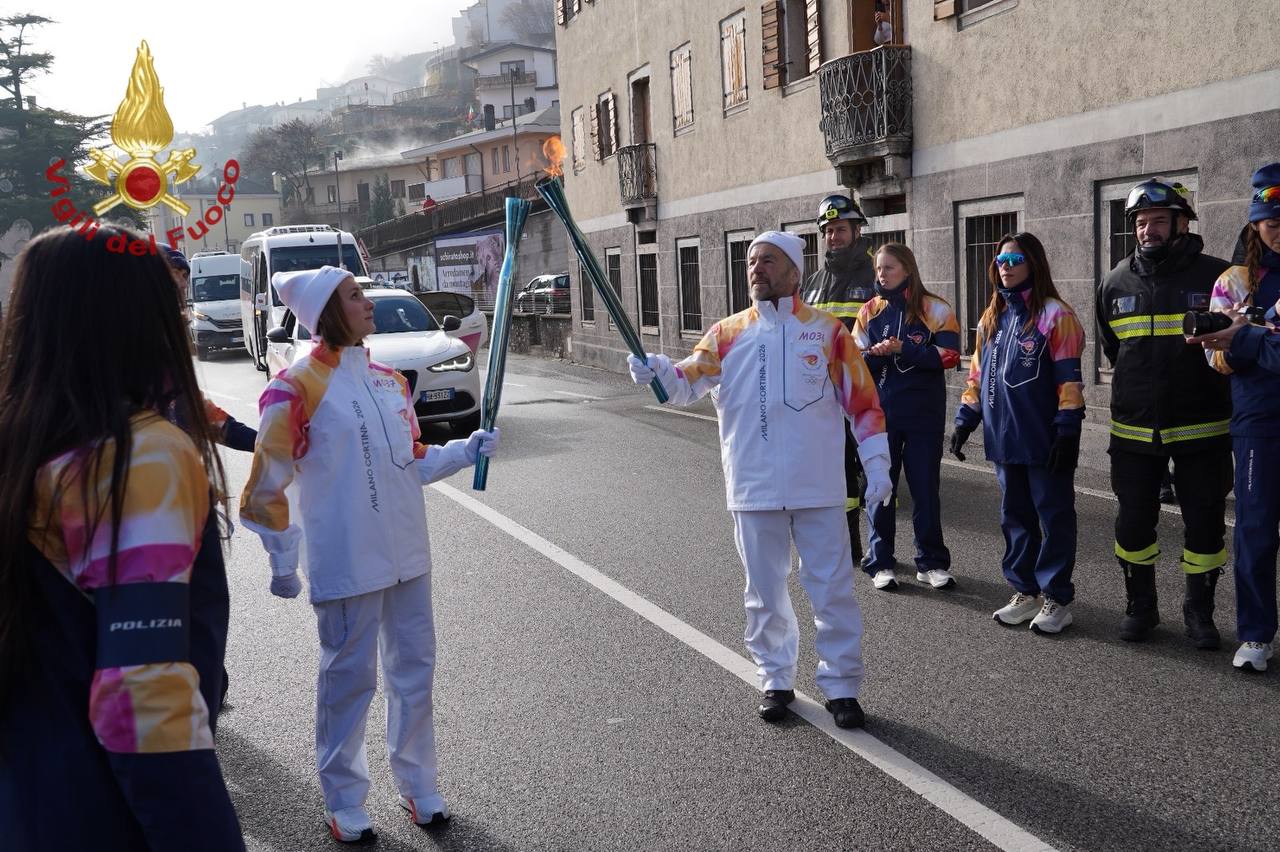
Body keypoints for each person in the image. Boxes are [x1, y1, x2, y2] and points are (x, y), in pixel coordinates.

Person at [0, 226, 244, 849]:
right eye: (172, 301)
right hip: (100, 808)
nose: (184, 313)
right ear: (140, 317)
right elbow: (143, 698)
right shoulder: (142, 456)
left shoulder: (24, 438)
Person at [239, 266, 499, 842]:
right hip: (347, 556)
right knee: (349, 680)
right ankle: (344, 798)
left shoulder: (389, 382)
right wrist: (284, 559)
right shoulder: (294, 387)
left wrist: (463, 450)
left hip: (407, 550)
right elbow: (265, 483)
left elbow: (410, 459)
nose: (368, 303)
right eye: (356, 296)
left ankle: (420, 784)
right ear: (328, 310)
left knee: (414, 674)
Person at [627, 231, 893, 729]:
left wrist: (877, 463)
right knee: (764, 591)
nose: (756, 268)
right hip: (753, 487)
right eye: (751, 261)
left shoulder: (829, 332)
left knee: (832, 589)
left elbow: (863, 404)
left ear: (794, 270)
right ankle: (775, 679)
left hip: (819, 487)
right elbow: (684, 384)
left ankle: (841, 686)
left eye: (768, 260)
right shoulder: (726, 333)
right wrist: (657, 371)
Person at [1095, 180, 1232, 648]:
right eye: (1139, 222)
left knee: (1206, 524)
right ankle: (1142, 607)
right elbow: (1116, 349)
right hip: (1133, 429)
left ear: (1181, 223)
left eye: (1156, 220)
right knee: (1132, 523)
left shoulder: (1218, 278)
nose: (1146, 230)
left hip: (1203, 428)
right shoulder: (1114, 282)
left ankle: (1200, 614)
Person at [951, 233, 1085, 634]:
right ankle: (1024, 591)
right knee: (1016, 518)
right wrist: (964, 420)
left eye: (1015, 259)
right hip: (1004, 439)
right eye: (1001, 260)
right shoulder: (991, 318)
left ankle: (1057, 598)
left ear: (1034, 265)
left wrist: (1067, 428)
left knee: (1054, 516)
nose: (1005, 266)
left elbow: (1069, 380)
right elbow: (977, 378)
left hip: (1044, 438)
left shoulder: (1055, 315)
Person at [1191, 162, 1280, 671]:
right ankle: (1255, 633)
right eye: (1271, 224)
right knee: (1255, 530)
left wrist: (1245, 338)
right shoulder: (1235, 280)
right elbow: (1215, 358)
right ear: (1254, 225)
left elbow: (1239, 346)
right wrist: (1239, 343)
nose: (1279, 233)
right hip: (1258, 423)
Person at [853, 243, 960, 590]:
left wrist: (905, 348)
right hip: (881, 417)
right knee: (881, 488)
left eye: (889, 268)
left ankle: (931, 562)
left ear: (908, 270)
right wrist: (875, 354)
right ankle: (880, 562)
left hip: (924, 417)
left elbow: (950, 355)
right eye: (879, 269)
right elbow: (855, 361)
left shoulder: (936, 308)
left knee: (926, 490)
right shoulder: (869, 311)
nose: (882, 275)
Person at [803, 194, 876, 563]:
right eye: (828, 231)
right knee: (837, 473)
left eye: (841, 229)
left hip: (868, 392)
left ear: (857, 230)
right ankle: (849, 546)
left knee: (879, 475)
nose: (834, 237)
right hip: (824, 396)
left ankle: (884, 555)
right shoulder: (813, 282)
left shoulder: (876, 276)